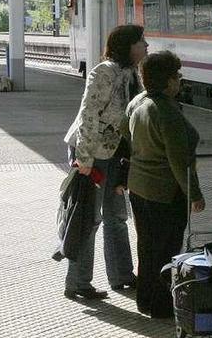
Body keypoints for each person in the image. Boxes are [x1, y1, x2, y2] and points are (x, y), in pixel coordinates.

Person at [62, 24, 148, 300]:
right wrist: (84, 159)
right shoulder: (104, 72)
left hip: (114, 155)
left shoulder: (131, 74)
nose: (146, 46)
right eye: (141, 42)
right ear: (128, 46)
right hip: (92, 154)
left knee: (117, 217)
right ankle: (77, 282)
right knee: (89, 218)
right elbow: (88, 114)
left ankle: (122, 276)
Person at [121, 50, 205, 318]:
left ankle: (145, 300)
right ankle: (160, 306)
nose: (180, 81)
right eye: (177, 76)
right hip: (165, 193)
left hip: (139, 188)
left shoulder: (137, 102)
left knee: (146, 247)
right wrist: (195, 194)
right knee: (166, 250)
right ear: (168, 81)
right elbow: (179, 160)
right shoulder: (167, 111)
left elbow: (125, 133)